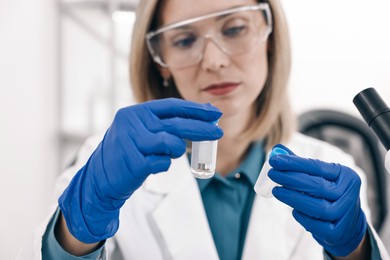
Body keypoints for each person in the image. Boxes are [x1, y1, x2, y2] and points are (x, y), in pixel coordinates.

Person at [20, 0, 390, 259]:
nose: (213, 61)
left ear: (270, 38)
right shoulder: (101, 160)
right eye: (184, 39)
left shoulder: (331, 163)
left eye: (234, 29)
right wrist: (76, 232)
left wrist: (355, 251)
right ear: (160, 61)